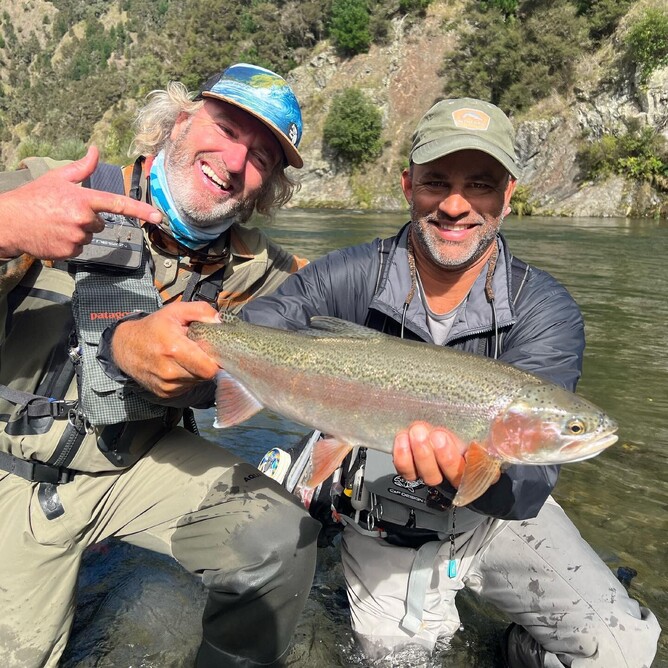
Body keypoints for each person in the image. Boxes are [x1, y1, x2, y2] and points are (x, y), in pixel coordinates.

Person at [110, 97, 661, 667]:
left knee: (623, 648)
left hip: (495, 510)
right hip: (375, 495)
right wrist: (160, 343)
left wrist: (464, 476)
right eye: (436, 183)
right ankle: (319, 500)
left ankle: (520, 647)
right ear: (407, 185)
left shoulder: (546, 310)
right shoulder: (344, 275)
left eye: (480, 185)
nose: (454, 205)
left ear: (508, 194)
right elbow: (252, 337)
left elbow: (531, 483)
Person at [0, 63, 321, 668]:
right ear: (178, 121)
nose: (233, 160)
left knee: (280, 537)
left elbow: (368, 304)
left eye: (261, 158)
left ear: (267, 187)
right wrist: (5, 227)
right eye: (226, 127)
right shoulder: (49, 189)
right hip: (11, 467)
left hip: (135, 464)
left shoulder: (260, 269)